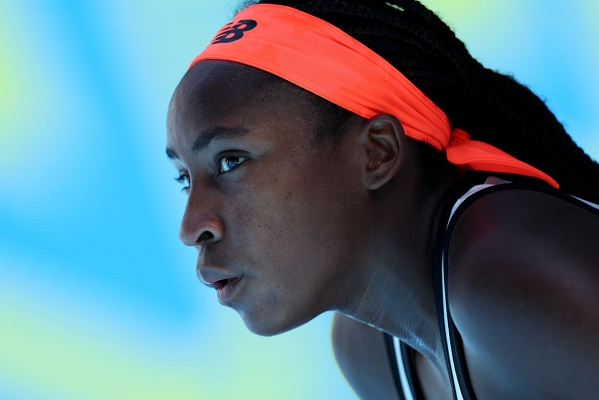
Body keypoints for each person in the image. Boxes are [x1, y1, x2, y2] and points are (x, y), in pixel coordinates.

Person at [165, 0, 599, 398]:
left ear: (378, 152)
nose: (191, 227)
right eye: (184, 178)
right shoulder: (365, 349)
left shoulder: (513, 272)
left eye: (230, 161)